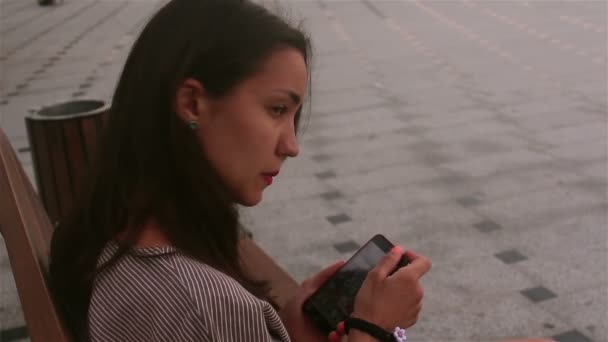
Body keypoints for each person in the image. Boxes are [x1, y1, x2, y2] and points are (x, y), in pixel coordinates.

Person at [48, 1, 552, 341]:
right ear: (192, 102)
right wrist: (374, 330)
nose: (292, 145)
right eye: (275, 110)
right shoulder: (198, 301)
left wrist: (284, 326)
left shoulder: (112, 241)